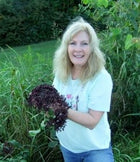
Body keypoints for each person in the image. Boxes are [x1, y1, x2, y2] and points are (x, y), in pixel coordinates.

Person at [53, 17, 114, 162]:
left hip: (95, 150)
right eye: (72, 43)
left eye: (84, 44)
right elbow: (53, 101)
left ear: (92, 48)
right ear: (66, 47)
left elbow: (92, 121)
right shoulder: (61, 74)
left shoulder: (101, 77)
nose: (78, 49)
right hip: (68, 147)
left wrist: (60, 109)